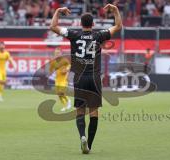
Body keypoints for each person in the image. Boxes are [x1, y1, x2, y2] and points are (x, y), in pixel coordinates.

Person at [50, 3, 122, 154]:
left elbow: (54, 27)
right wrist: (115, 10)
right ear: (93, 24)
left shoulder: (74, 34)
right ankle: (88, 144)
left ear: (80, 24)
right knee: (94, 113)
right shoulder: (99, 35)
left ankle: (82, 136)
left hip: (80, 78)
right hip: (95, 78)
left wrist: (58, 11)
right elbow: (118, 26)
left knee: (80, 111)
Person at [49, 47, 71, 112]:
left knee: (61, 92)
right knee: (59, 94)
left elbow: (69, 65)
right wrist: (52, 72)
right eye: (56, 53)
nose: (57, 54)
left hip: (64, 79)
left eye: (58, 53)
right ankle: (65, 106)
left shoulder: (64, 60)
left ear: (61, 53)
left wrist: (66, 69)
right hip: (57, 80)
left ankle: (68, 101)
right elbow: (51, 70)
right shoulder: (53, 61)